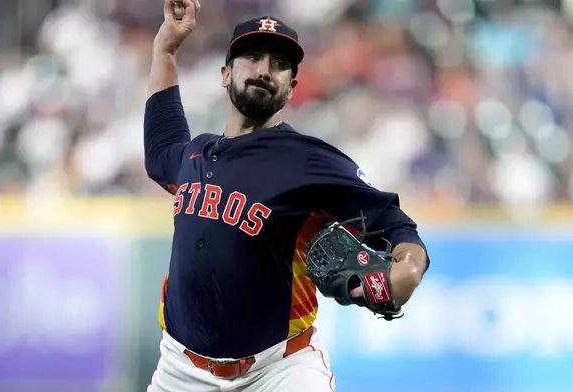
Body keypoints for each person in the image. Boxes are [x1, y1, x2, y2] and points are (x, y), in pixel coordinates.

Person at [144, 1, 430, 391]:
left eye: (279, 64)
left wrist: (408, 268)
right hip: (180, 371)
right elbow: (161, 147)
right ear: (225, 74)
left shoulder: (308, 160)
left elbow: (392, 221)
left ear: (291, 87)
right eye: (252, 57)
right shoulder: (194, 155)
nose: (264, 70)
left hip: (278, 370)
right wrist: (165, 49)